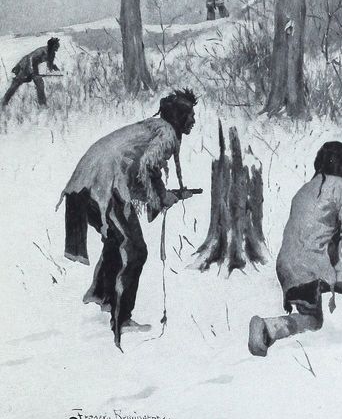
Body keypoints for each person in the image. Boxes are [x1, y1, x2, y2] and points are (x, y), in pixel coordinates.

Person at [58, 89, 198, 348]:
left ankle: (103, 296)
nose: (193, 121)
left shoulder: (152, 127)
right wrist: (161, 196)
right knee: (134, 250)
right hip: (100, 187)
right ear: (178, 118)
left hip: (87, 185)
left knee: (117, 241)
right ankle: (121, 318)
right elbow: (146, 168)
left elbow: (133, 172)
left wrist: (162, 195)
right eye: (189, 116)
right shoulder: (166, 134)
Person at [249, 141, 342, 357]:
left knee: (312, 320)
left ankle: (268, 327)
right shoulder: (340, 186)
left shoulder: (303, 190)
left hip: (287, 270)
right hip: (315, 267)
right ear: (337, 163)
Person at [2, 37, 60, 107]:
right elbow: (30, 58)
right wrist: (32, 72)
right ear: (51, 45)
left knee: (40, 83)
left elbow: (49, 64)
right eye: (56, 45)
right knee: (16, 83)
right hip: (25, 64)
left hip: (34, 66)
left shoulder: (52, 54)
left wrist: (54, 68)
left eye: (58, 45)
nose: (58, 46)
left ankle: (42, 104)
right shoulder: (42, 50)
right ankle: (4, 102)